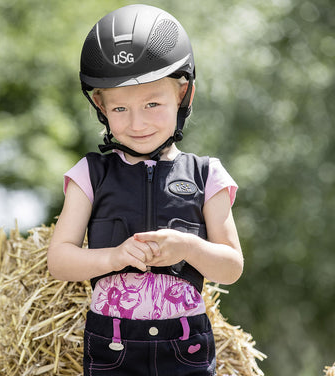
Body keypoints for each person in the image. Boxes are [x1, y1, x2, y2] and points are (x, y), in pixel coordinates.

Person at [47, 4, 243, 376]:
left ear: (184, 95)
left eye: (152, 104)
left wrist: (188, 246)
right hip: (112, 343)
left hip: (187, 343)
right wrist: (115, 257)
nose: (136, 123)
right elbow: (59, 261)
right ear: (100, 105)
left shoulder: (207, 175)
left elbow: (231, 267)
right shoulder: (90, 174)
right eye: (120, 108)